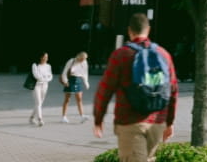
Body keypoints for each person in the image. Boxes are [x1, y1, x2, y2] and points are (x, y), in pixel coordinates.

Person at [93, 13, 178, 162]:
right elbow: (173, 91)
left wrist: (98, 119)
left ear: (129, 31)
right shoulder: (163, 54)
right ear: (148, 30)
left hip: (130, 122)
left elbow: (105, 90)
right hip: (157, 122)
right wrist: (169, 122)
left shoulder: (121, 55)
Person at [59, 52, 91, 123]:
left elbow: (85, 73)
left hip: (78, 79)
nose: (83, 60)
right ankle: (63, 117)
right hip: (70, 79)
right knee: (67, 99)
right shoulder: (71, 61)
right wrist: (65, 81)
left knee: (79, 99)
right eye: (82, 59)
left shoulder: (84, 62)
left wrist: (86, 82)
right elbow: (64, 72)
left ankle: (82, 116)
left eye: (84, 59)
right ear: (78, 57)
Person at [30, 53, 54, 127]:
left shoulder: (48, 66)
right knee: (38, 102)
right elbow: (36, 75)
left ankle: (32, 117)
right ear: (41, 57)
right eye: (44, 57)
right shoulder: (35, 65)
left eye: (47, 57)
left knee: (39, 103)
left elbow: (50, 75)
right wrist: (44, 78)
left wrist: (47, 79)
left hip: (45, 85)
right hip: (36, 85)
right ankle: (40, 119)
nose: (46, 58)